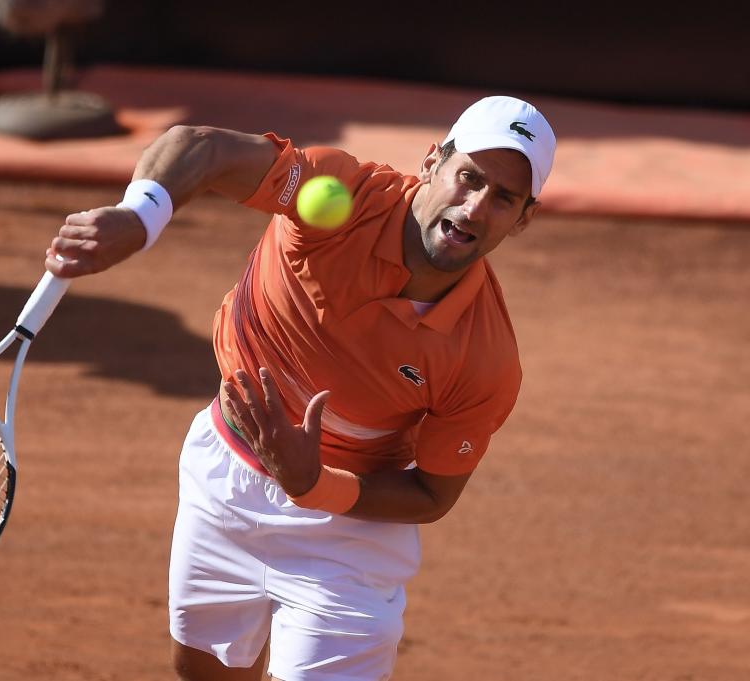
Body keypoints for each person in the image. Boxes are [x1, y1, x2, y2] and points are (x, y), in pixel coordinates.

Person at [45, 95, 556, 681]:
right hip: (223, 480)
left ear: (522, 220)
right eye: (469, 177)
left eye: (504, 198)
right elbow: (201, 146)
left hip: (348, 540)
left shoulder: (484, 358)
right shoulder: (338, 197)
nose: (474, 208)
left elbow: (431, 496)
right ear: (433, 161)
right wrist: (140, 217)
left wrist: (314, 485)